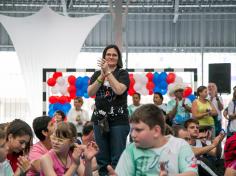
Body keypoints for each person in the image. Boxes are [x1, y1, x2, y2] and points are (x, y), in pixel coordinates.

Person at [108, 104, 198, 176]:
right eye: (132, 130)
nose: (133, 135)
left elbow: (192, 173)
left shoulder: (180, 145)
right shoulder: (131, 149)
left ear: (156, 131)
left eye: (138, 130)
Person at [87, 44, 130, 176]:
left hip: (119, 121)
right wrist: (101, 75)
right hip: (99, 121)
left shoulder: (122, 73)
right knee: (102, 160)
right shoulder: (96, 74)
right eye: (108, 54)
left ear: (118, 58)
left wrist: (108, 73)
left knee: (117, 159)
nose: (111, 57)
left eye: (114, 55)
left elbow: (119, 90)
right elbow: (90, 92)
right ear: (104, 57)